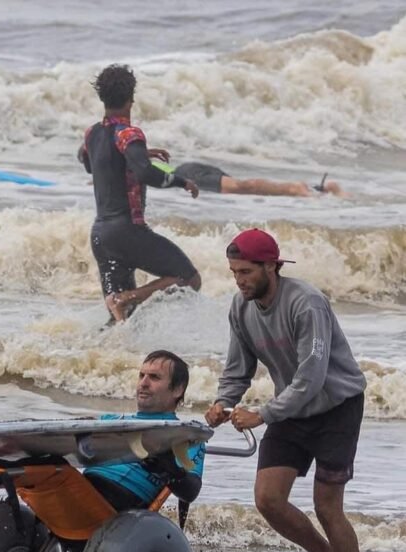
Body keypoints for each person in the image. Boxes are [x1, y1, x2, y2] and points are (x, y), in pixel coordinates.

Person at [204, 229, 367, 552]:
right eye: (234, 272)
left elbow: (311, 377)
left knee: (327, 508)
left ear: (270, 267)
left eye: (245, 272)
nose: (240, 280)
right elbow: (237, 370)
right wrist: (223, 401)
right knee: (268, 499)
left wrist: (264, 413)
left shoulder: (306, 303)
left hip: (336, 408)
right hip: (292, 409)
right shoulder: (240, 308)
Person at [77, 64, 201, 324]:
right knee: (188, 278)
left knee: (121, 323)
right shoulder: (129, 134)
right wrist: (181, 182)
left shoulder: (92, 134)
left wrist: (136, 154)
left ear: (102, 97)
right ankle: (129, 297)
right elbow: (145, 174)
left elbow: (89, 162)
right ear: (131, 98)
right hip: (127, 232)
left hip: (101, 236)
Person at [85, 350, 205, 512]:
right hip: (82, 486)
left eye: (154, 377)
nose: (143, 383)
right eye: (141, 376)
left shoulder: (185, 434)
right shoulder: (110, 420)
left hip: (124, 500)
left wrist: (169, 469)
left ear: (177, 389)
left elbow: (190, 492)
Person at [173, 161, 346, 198]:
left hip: (184, 174)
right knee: (240, 187)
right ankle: (320, 189)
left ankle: (295, 189)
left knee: (241, 187)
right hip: (187, 169)